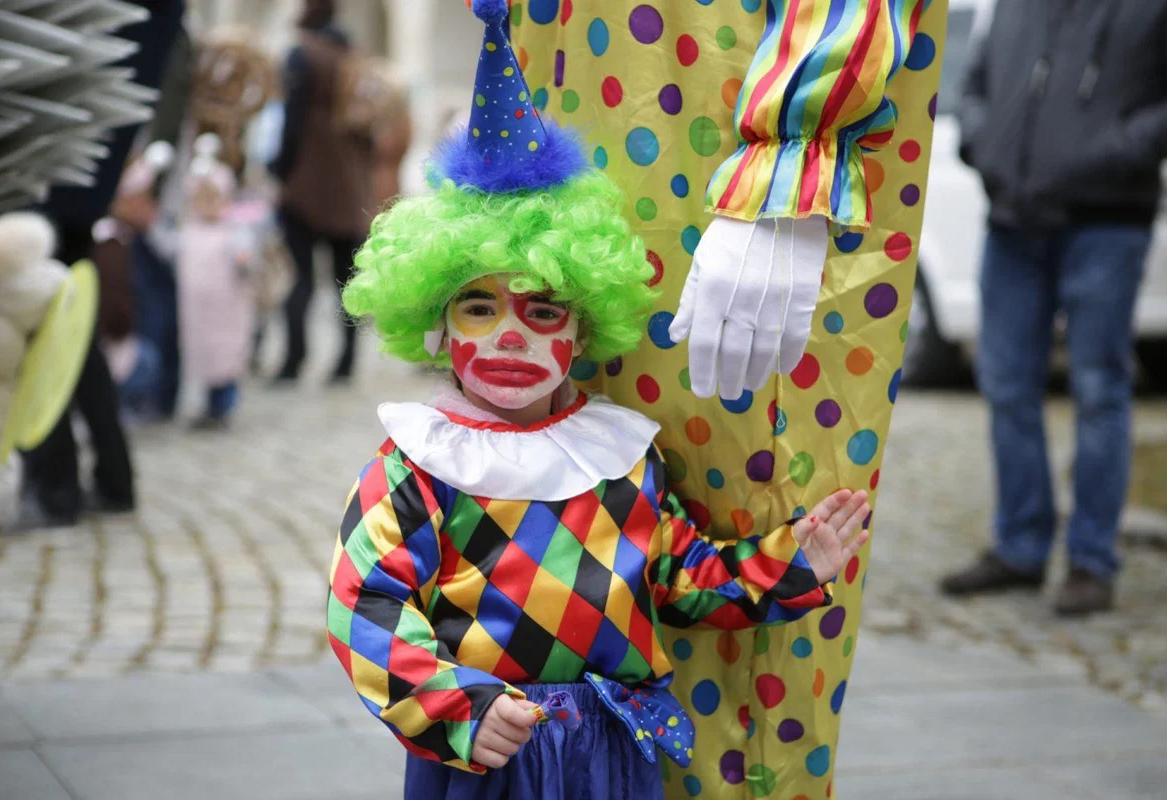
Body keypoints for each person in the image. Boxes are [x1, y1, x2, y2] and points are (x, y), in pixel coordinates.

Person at [329, 8, 870, 796]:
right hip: (489, 752)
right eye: (480, 308)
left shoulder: (618, 457)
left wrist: (789, 566)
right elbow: (364, 603)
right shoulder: (417, 468)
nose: (511, 335)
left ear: (581, 332)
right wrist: (460, 706)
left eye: (542, 311)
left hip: (611, 752)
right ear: (437, 327)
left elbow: (678, 577)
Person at [506, 0, 944, 794]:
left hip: (716, 109)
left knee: (731, 593)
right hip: (573, 135)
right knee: (583, 546)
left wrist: (792, 159)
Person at [941, 0, 1167, 616]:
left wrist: (1116, 149)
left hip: (1106, 224)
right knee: (1005, 386)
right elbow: (974, 84)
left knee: (1100, 389)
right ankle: (1021, 548)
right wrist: (980, 139)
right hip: (1013, 221)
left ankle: (1091, 560)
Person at [22, 0, 187, 525]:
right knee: (67, 325)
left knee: (44, 321)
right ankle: (102, 477)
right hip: (74, 169)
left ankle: (56, 485)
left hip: (53, 165)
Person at [271, 0, 377, 384]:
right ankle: (346, 363)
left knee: (299, 277)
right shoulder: (354, 58)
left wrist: (281, 171)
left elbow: (292, 121)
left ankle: (293, 361)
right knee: (346, 283)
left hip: (306, 184)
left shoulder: (303, 56)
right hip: (350, 188)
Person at [176, 136, 255, 430]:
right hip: (198, 311)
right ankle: (209, 405)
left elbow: (245, 260)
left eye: (214, 198)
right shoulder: (189, 231)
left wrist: (244, 261)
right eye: (201, 199)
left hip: (226, 309)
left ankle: (224, 406)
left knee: (225, 355)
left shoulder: (233, 231)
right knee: (205, 355)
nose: (207, 206)